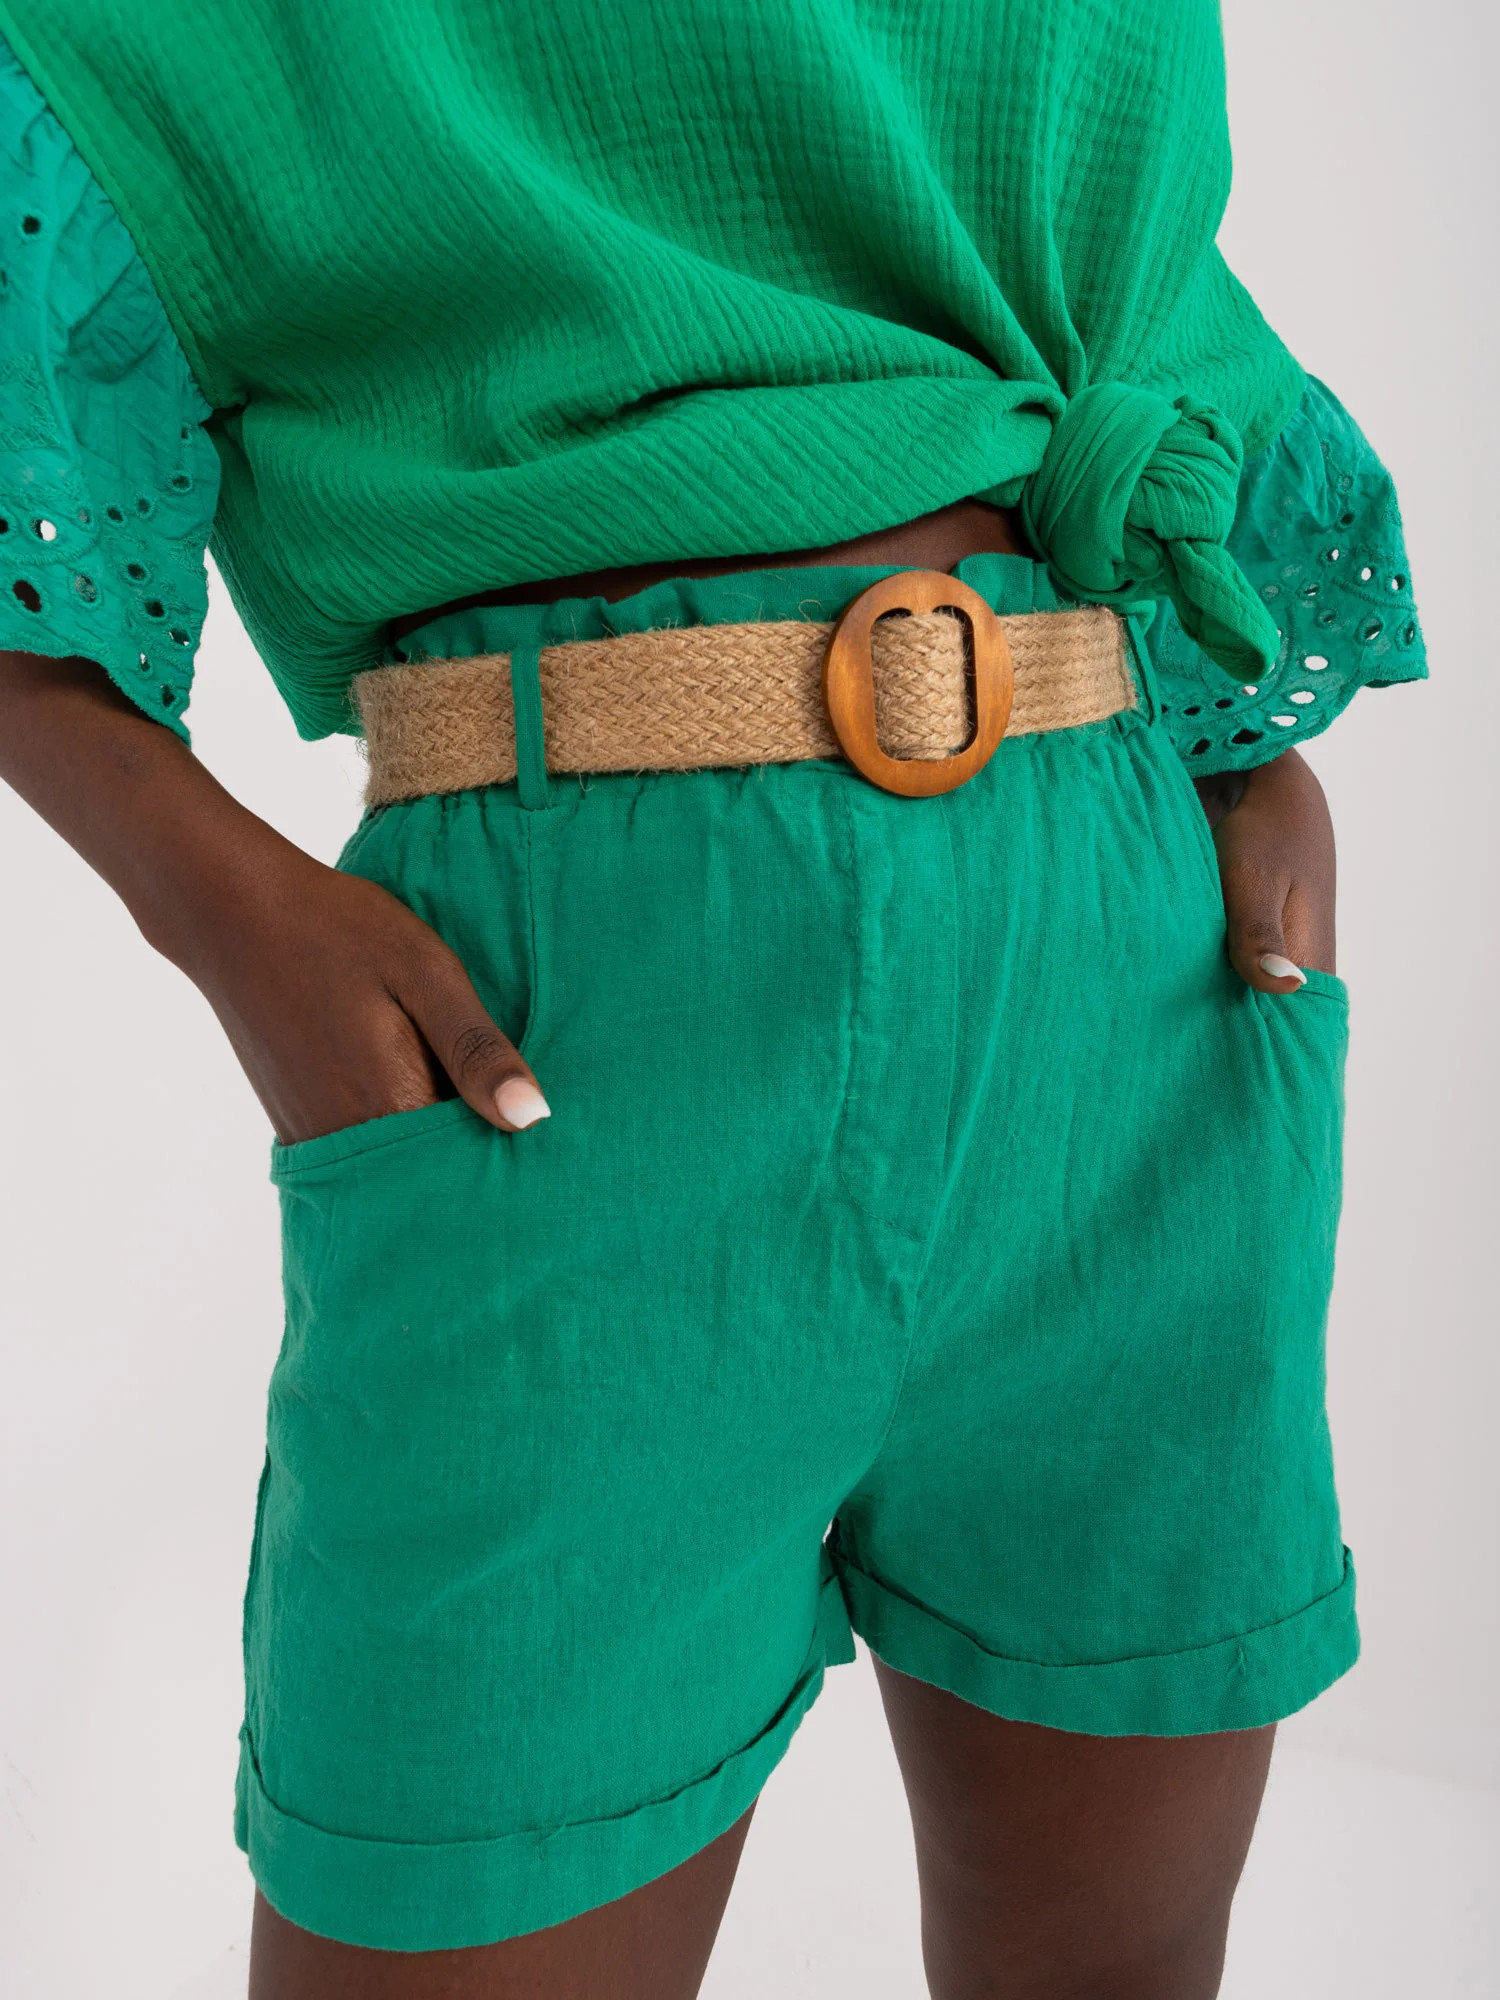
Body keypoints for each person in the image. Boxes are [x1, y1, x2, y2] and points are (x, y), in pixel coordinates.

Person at [0, 4, 1426, 1996]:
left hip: (1127, 989)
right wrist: (223, 911)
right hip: (563, 1035)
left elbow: (1126, 234)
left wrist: (1246, 746)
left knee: (1124, 1959)